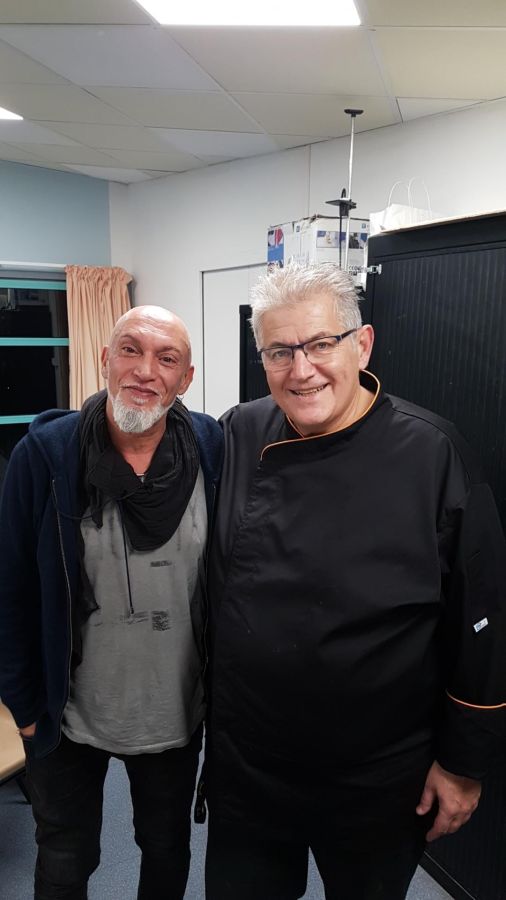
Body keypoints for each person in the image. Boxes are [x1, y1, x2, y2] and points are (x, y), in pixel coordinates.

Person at [204, 263, 506, 900]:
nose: (301, 369)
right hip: (251, 763)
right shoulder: (240, 430)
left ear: (361, 344)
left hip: (377, 775)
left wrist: (463, 764)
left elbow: (482, 622)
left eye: (320, 344)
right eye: (279, 351)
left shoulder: (432, 453)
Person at [0, 305, 222, 900]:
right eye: (130, 349)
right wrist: (24, 706)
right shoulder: (47, 455)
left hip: (176, 714)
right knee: (65, 859)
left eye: (166, 358)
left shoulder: (211, 448)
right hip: (67, 716)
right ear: (104, 359)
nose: (145, 370)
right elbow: (10, 586)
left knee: (166, 849)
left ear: (186, 379)